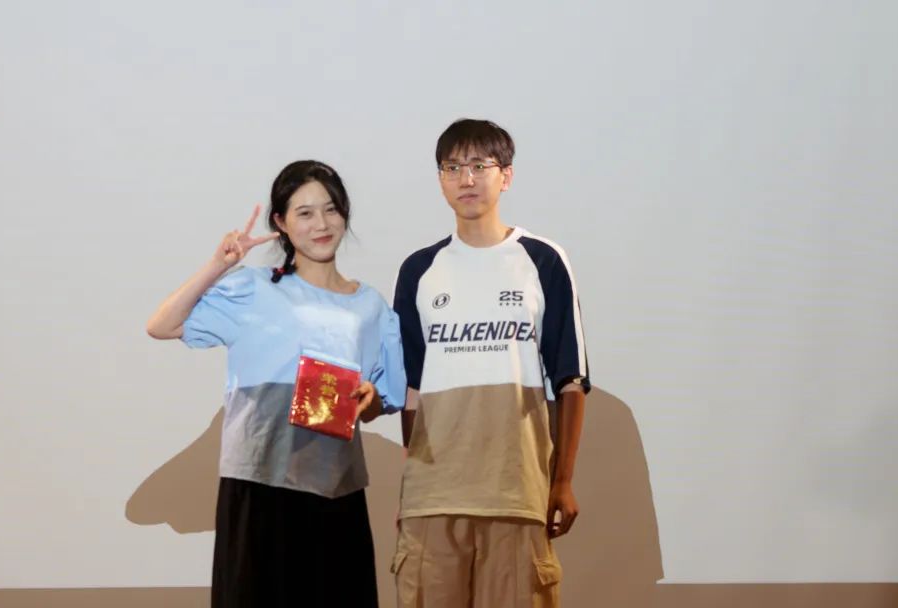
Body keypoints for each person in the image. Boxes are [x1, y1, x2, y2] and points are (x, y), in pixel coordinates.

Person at [146, 160, 405, 608]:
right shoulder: (253, 287)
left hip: (335, 487)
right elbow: (162, 325)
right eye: (304, 213)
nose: (321, 224)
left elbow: (387, 396)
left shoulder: (371, 306)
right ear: (281, 223)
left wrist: (372, 399)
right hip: (259, 484)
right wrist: (218, 265)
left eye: (331, 209)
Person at [391, 119, 590, 607]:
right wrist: (416, 476)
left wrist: (562, 480)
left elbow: (570, 381)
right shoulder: (419, 270)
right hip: (433, 497)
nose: (467, 179)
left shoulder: (541, 260)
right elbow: (412, 388)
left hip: (516, 491)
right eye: (453, 167)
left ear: (507, 176)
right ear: (440, 179)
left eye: (480, 165)